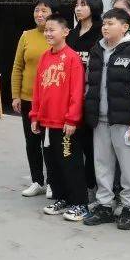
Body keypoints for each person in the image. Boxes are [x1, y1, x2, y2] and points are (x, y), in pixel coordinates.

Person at [80, 8, 130, 231]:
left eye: (111, 23)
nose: (105, 27)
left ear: (125, 27)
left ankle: (129, 207)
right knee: (102, 164)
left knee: (128, 168)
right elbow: (89, 83)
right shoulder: (97, 50)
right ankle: (105, 206)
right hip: (99, 120)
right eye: (104, 24)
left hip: (124, 121)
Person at [29, 14, 89, 222]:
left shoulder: (72, 58)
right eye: (46, 30)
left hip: (65, 123)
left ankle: (80, 203)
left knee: (70, 163)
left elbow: (76, 92)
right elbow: (38, 89)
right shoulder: (45, 57)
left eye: (52, 29)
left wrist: (72, 119)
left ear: (65, 32)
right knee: (53, 163)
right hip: (46, 122)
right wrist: (35, 115)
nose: (47, 33)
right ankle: (61, 198)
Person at [11, 0, 56, 198]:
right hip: (28, 98)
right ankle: (37, 181)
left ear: (53, 14)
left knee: (50, 143)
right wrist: (16, 95)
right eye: (37, 10)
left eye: (44, 10)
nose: (39, 14)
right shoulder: (26, 36)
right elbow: (17, 67)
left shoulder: (57, 36)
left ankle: (53, 181)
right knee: (32, 142)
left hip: (51, 100)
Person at [66, 0, 103, 193]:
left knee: (91, 146)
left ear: (94, 7)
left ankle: (92, 187)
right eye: (77, 5)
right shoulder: (71, 35)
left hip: (92, 97)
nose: (78, 8)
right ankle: (74, 187)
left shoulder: (101, 33)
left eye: (84, 4)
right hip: (70, 97)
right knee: (72, 145)